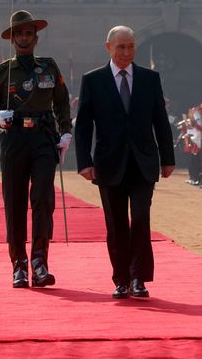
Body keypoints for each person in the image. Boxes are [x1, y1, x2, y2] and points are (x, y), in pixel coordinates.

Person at [75, 26, 175, 299]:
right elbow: (83, 124)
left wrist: (168, 158)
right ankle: (121, 279)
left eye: (130, 46)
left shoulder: (149, 78)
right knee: (116, 223)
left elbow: (160, 121)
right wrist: (84, 162)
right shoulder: (93, 80)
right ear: (108, 47)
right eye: (121, 47)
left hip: (143, 161)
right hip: (109, 163)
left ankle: (139, 277)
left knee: (141, 219)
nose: (126, 52)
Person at [0, 10, 72, 289]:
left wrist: (66, 131)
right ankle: (18, 264)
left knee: (43, 199)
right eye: (19, 33)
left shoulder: (49, 68)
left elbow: (61, 102)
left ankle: (39, 261)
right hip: (14, 140)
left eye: (28, 33)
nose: (24, 38)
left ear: (36, 37)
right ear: (12, 39)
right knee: (15, 202)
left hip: (43, 138)